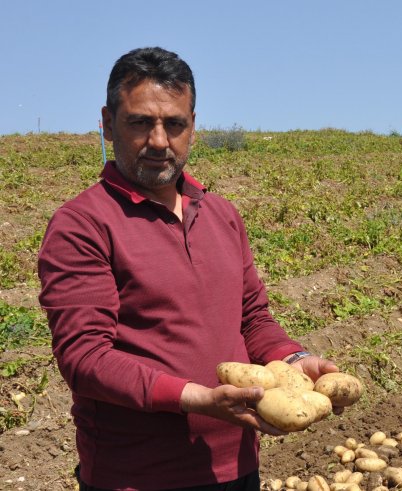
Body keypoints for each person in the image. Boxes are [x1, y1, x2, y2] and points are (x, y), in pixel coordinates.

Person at [37, 47, 340, 491]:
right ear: (107, 122)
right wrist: (196, 399)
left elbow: (252, 319)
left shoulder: (221, 215)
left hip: (237, 468)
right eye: (141, 122)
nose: (159, 141)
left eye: (174, 124)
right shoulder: (82, 224)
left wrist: (294, 359)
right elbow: (85, 358)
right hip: (137, 478)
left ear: (193, 126)